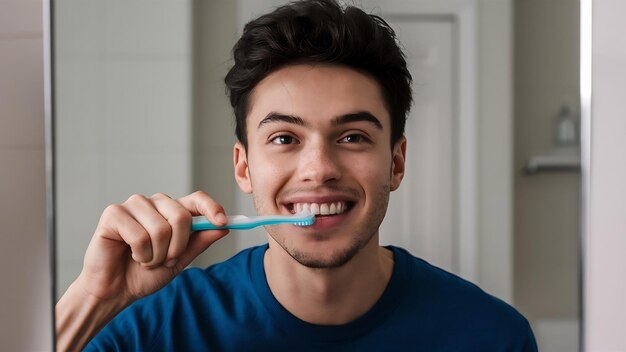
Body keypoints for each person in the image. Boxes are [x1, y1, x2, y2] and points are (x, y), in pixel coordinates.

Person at [56, 0, 537, 350]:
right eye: (284, 138)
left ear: (396, 163)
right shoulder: (157, 332)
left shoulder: (491, 337)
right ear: (243, 167)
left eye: (352, 137)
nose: (320, 169)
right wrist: (94, 299)